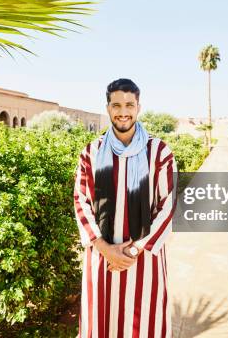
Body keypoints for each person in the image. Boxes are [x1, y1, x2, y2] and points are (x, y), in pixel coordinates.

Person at [74, 78, 177, 338]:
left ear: (138, 107)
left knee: (144, 327)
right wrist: (104, 248)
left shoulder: (159, 152)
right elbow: (81, 200)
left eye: (129, 105)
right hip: (102, 259)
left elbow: (168, 205)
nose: (123, 111)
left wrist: (133, 250)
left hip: (143, 260)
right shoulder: (92, 152)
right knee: (100, 323)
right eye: (116, 105)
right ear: (108, 108)